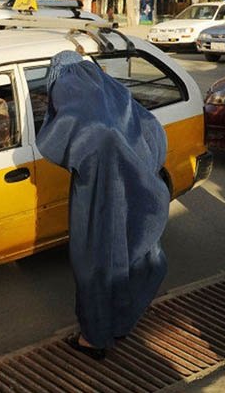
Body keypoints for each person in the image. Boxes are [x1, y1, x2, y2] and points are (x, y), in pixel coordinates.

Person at [35, 50, 170, 359]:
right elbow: (154, 135)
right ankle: (120, 323)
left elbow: (68, 136)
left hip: (98, 201)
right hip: (138, 199)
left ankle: (94, 339)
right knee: (132, 264)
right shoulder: (116, 100)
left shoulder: (88, 121)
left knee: (96, 267)